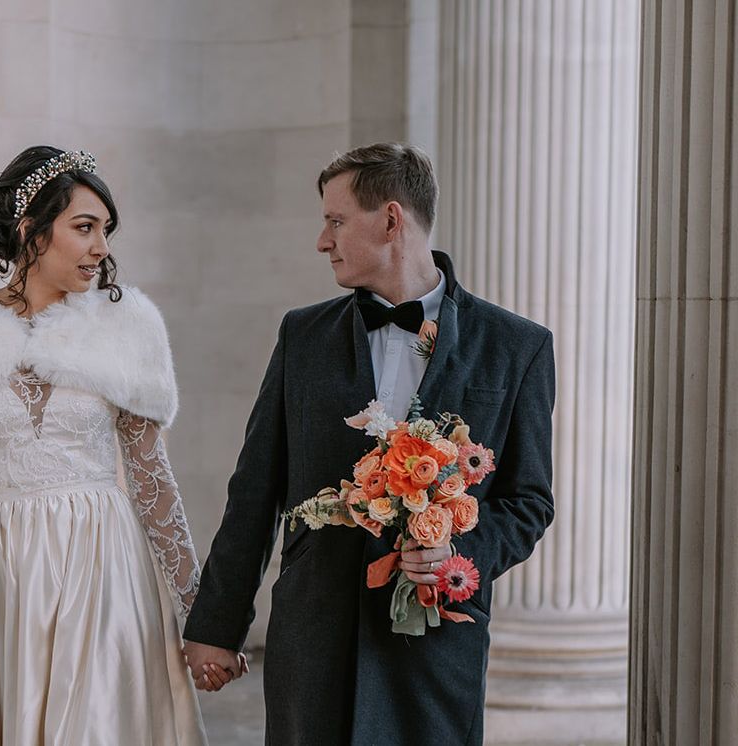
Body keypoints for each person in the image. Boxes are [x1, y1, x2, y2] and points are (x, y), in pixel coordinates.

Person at [182, 142, 556, 745]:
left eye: (335, 221)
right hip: (313, 639)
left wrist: (460, 552)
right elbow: (256, 488)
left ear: (389, 220)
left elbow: (529, 502)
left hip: (435, 649)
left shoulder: (518, 347)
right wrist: (218, 624)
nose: (321, 241)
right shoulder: (302, 335)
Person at [0, 146, 226, 745]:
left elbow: (153, 481)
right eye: (84, 227)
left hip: (103, 562)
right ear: (31, 230)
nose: (102, 247)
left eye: (105, 230)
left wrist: (205, 616)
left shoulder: (126, 329)